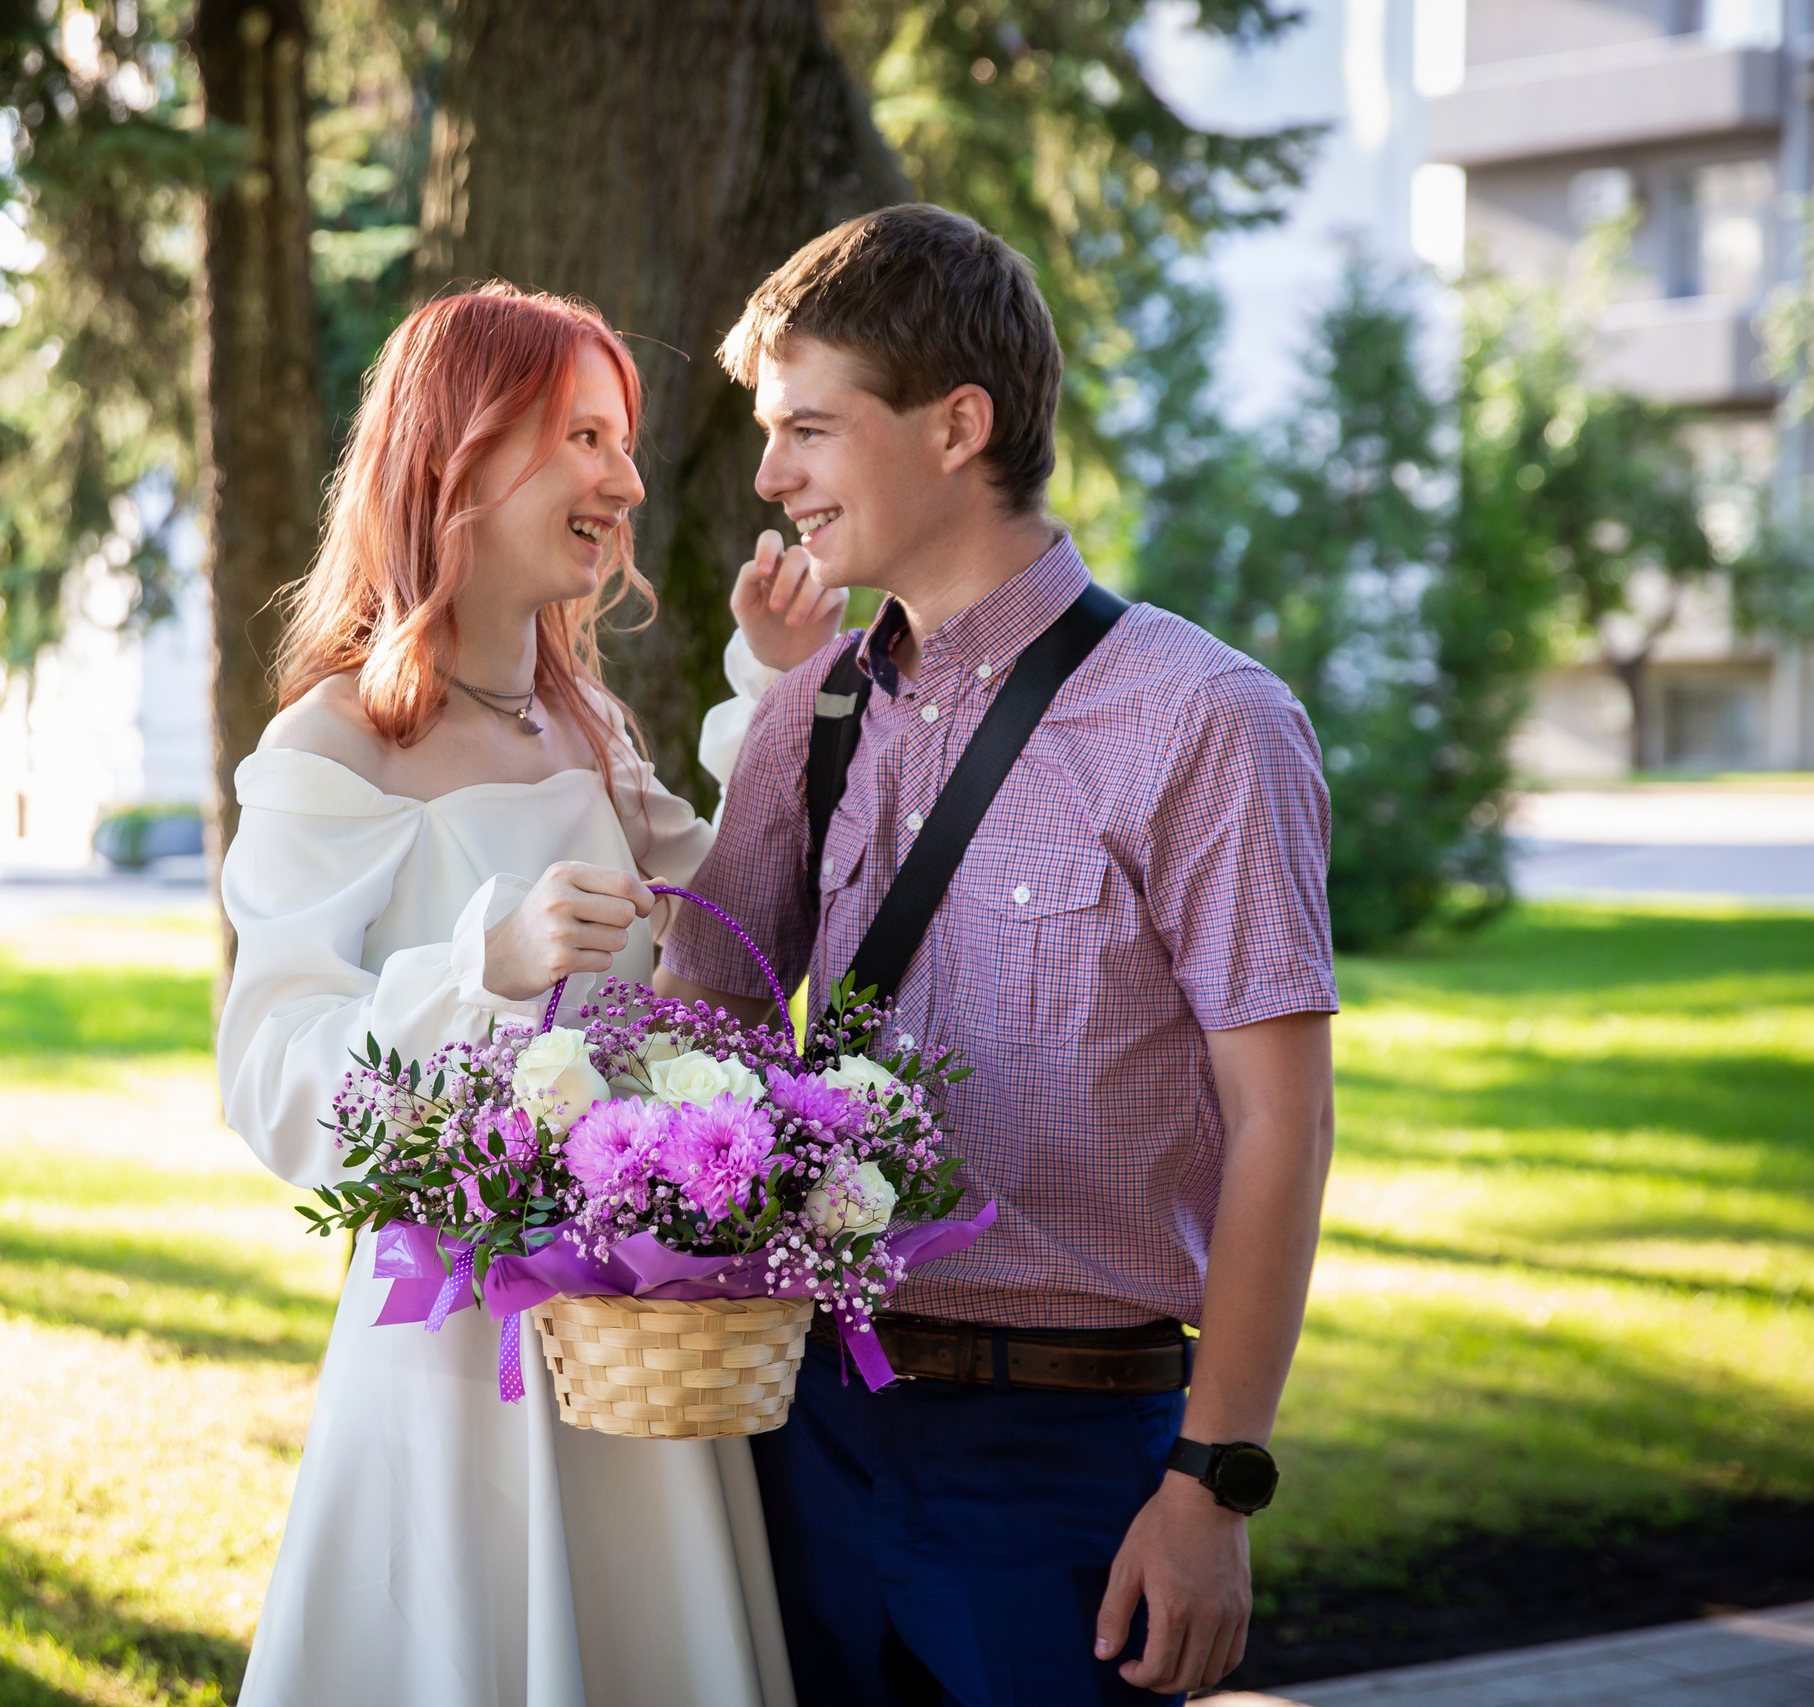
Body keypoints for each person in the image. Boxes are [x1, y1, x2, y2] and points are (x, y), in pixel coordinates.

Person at [655, 205, 1342, 1706]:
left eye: (810, 430)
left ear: (957, 426)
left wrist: (1213, 1484)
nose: (771, 476)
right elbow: (694, 1025)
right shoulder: (811, 712)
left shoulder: (1205, 719)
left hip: (1066, 1464)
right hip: (808, 1430)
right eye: (771, 435)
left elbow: (1282, 1125)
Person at [216, 283, 844, 1707]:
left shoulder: (589, 724)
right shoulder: (334, 747)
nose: (626, 483)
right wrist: (478, 969)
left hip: (637, 1345)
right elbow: (272, 1078)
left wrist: (771, 684)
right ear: (465, 454)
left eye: (623, 443)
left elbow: (730, 927)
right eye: (584, 439)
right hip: (456, 1368)